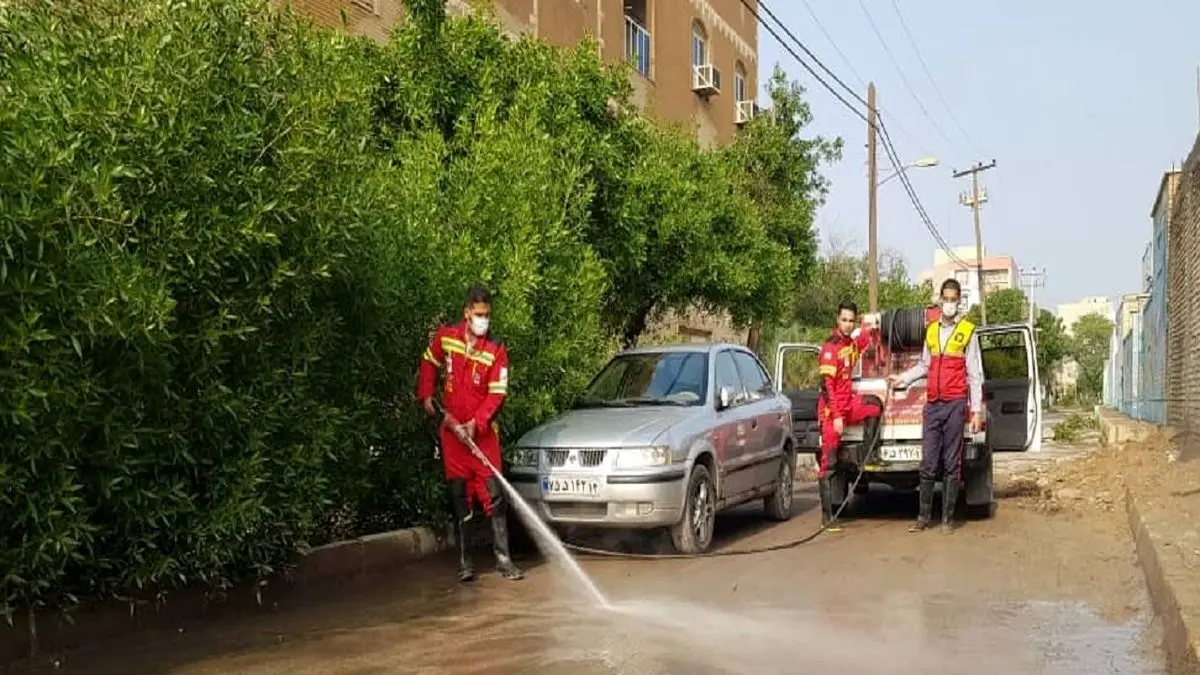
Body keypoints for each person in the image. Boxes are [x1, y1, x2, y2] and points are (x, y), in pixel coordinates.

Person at [417, 284, 523, 582]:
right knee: (459, 497)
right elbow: (429, 361)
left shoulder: (496, 350)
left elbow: (497, 394)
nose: (484, 320)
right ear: (467, 313)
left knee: (495, 498)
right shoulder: (447, 338)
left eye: (487, 315)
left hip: (483, 438)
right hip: (452, 438)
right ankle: (465, 564)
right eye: (479, 314)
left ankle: (504, 561)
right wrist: (426, 394)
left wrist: (477, 423)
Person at [887, 278, 984, 534]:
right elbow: (924, 365)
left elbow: (975, 374)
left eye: (954, 299)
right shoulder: (930, 331)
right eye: (946, 299)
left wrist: (976, 411)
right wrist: (903, 379)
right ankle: (923, 517)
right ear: (940, 300)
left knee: (952, 464)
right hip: (933, 405)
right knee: (928, 463)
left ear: (959, 301)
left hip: (954, 404)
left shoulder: (968, 332)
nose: (950, 303)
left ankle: (947, 520)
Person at [816, 300, 883, 527]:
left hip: (849, 404)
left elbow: (864, 339)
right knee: (830, 462)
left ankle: (866, 456)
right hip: (831, 410)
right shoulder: (830, 347)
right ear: (837, 320)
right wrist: (836, 417)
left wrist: (871, 324)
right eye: (843, 320)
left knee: (875, 405)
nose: (846, 324)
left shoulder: (850, 344)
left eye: (850, 320)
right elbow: (827, 386)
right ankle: (828, 517)